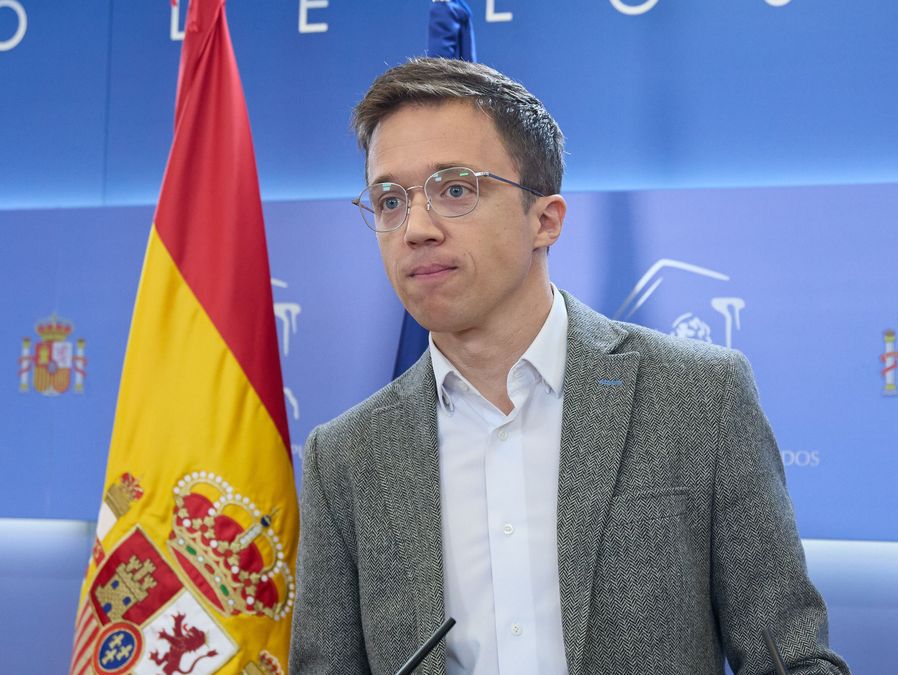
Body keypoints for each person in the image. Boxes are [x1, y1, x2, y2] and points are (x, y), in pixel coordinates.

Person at [290, 57, 849, 675]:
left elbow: (793, 659)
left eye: (454, 189)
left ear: (545, 219)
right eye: (389, 200)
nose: (415, 228)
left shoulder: (699, 398)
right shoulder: (345, 456)